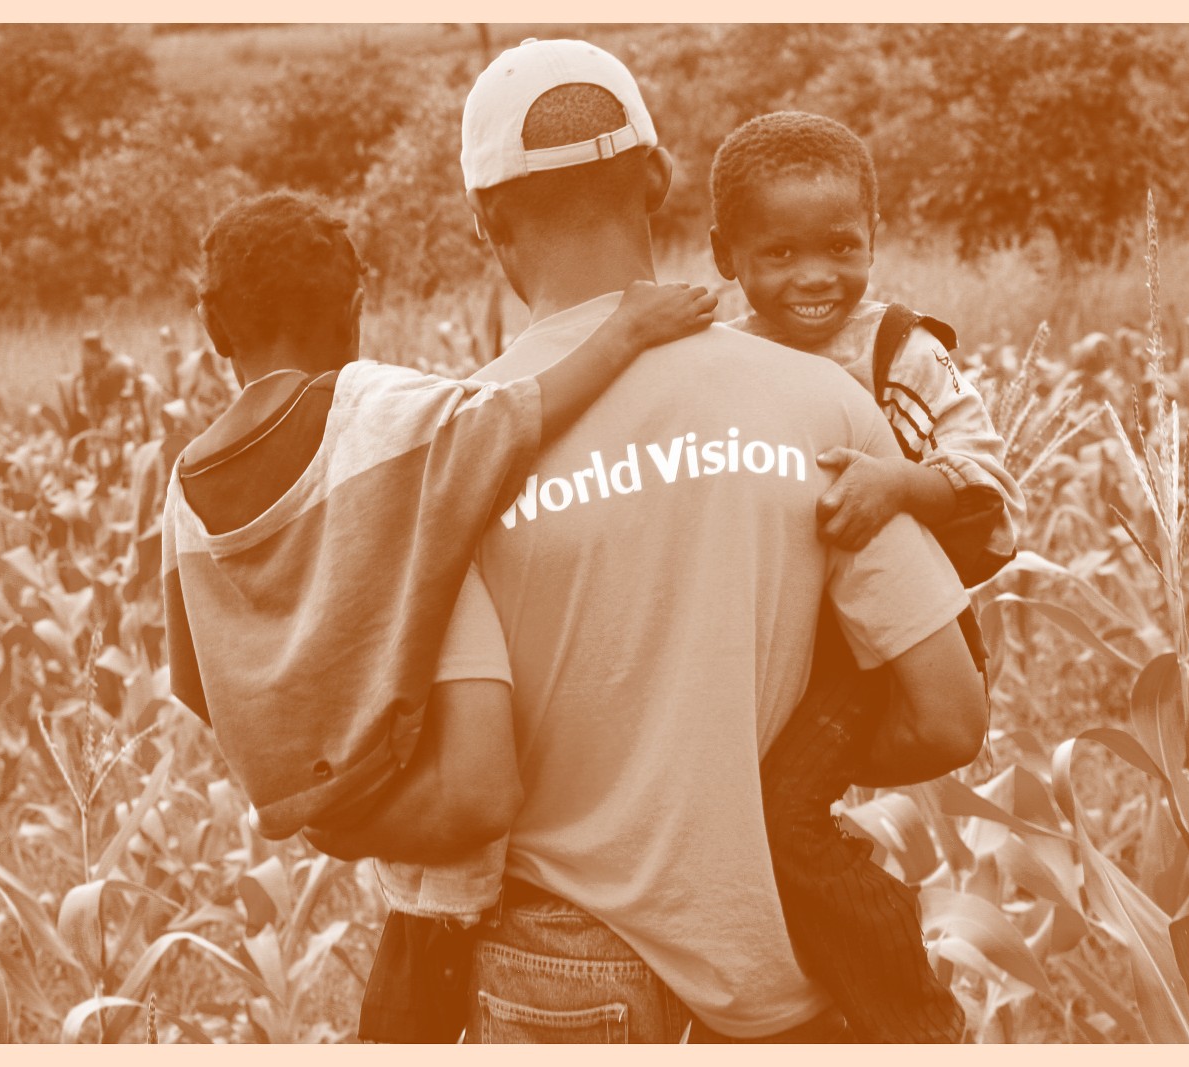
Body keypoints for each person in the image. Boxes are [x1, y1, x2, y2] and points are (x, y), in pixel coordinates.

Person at [313, 38, 988, 1043]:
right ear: (660, 179)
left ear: (483, 218)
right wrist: (751, 788)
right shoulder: (823, 400)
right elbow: (949, 718)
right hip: (773, 964)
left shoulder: (446, 452)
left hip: (550, 971)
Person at [159, 190, 716, 956]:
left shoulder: (184, 487)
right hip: (432, 785)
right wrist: (629, 329)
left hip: (312, 798)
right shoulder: (369, 407)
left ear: (213, 326)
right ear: (355, 310)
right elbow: (519, 415)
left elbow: (192, 679)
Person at [709, 110, 1024, 576]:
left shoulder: (900, 353)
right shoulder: (714, 362)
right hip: (764, 610)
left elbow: (993, 500)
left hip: (889, 611)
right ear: (725, 254)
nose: (815, 277)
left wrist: (900, 484)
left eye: (840, 247)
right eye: (780, 252)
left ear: (871, 240)